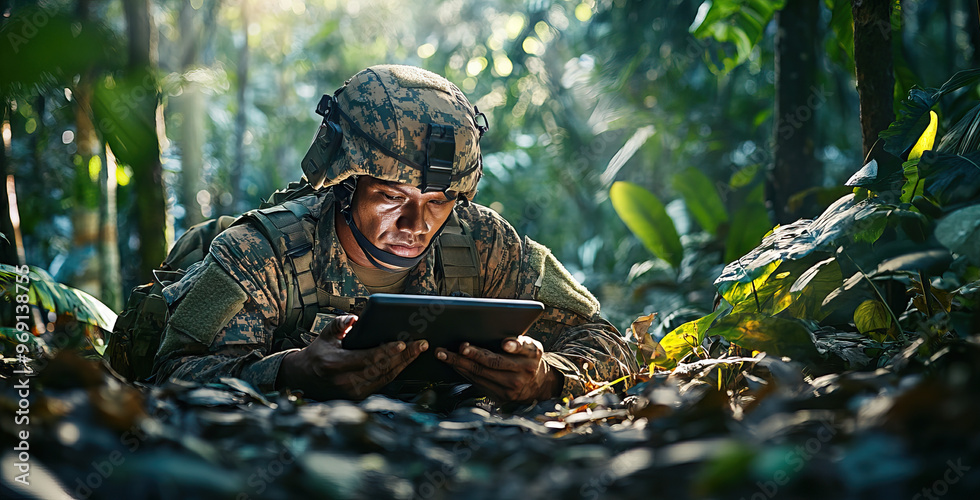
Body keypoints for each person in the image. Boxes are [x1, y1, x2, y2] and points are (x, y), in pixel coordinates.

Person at [151, 64, 637, 404]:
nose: (416, 224)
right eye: (392, 197)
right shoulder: (263, 252)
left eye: (439, 201)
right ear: (347, 182)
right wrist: (289, 373)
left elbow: (607, 340)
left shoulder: (484, 243)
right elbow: (170, 375)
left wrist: (548, 379)